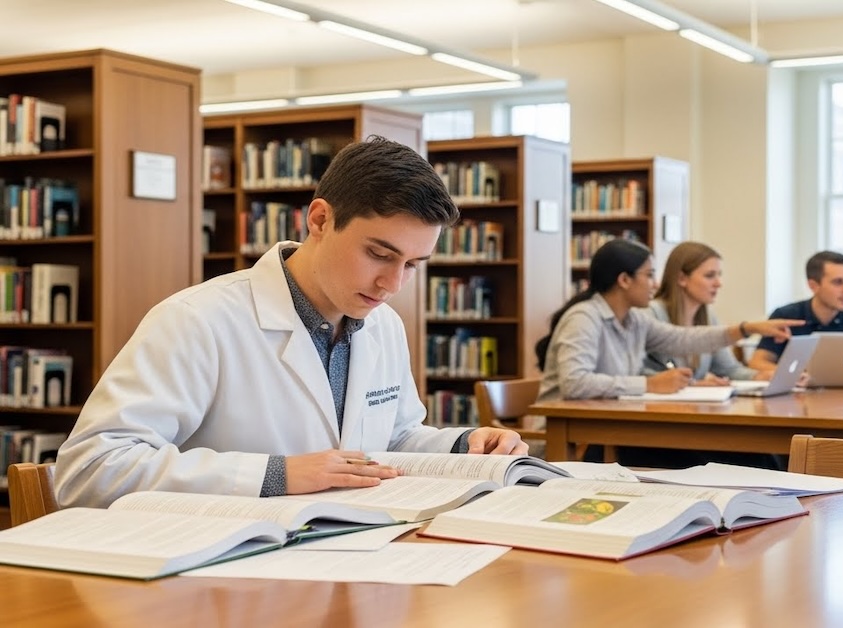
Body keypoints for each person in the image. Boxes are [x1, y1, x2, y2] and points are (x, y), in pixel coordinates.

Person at [56, 137, 527, 509]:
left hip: (350, 548)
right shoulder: (198, 320)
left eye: (413, 264)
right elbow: (92, 468)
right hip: (223, 576)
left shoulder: (382, 324)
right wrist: (276, 474)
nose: (392, 284)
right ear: (320, 219)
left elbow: (393, 439)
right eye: (379, 254)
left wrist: (464, 444)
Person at [534, 238, 799, 469]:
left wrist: (745, 329)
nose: (655, 283)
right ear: (624, 280)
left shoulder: (635, 320)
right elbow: (574, 383)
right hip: (578, 438)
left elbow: (684, 339)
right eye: (649, 275)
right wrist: (648, 384)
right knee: (741, 459)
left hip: (612, 430)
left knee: (753, 457)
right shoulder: (584, 318)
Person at [643, 241, 768, 383]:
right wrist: (693, 384)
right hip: (656, 404)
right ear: (682, 279)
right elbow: (637, 373)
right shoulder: (650, 314)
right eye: (709, 276)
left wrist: (761, 376)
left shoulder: (708, 317)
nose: (718, 283)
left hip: (694, 403)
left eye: (719, 275)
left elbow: (729, 370)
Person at [747, 250, 843, 371]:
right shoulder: (786, 316)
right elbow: (757, 363)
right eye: (838, 282)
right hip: (800, 397)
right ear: (813, 286)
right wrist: (799, 375)